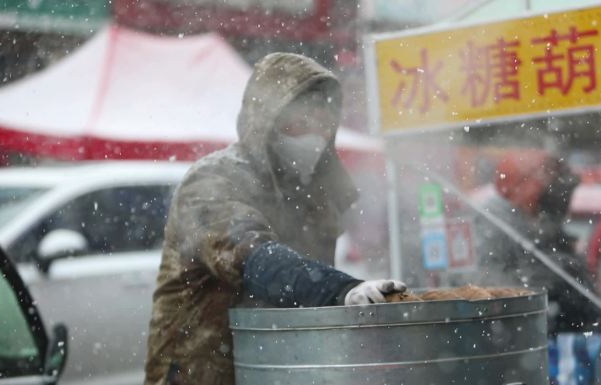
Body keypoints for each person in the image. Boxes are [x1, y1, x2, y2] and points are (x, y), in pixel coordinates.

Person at [144, 52, 406, 385]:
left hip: (278, 370)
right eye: (298, 124)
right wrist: (341, 290)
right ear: (264, 123)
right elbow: (254, 258)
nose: (314, 137)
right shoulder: (213, 181)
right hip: (201, 372)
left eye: (323, 125)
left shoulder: (312, 194)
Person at [473, 151, 601, 333]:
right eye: (541, 180)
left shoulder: (543, 224)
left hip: (556, 328)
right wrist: (549, 274)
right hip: (517, 330)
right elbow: (491, 279)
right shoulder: (496, 221)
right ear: (517, 185)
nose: (545, 188)